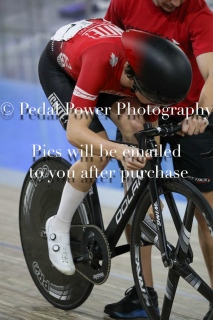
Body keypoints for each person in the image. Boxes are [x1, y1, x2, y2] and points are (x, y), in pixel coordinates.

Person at [38, 17, 191, 276]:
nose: (158, 106)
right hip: (65, 71)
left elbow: (149, 140)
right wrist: (119, 150)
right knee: (97, 155)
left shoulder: (150, 73)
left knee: (136, 127)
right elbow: (76, 134)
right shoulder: (100, 61)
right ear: (140, 85)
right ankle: (59, 224)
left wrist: (147, 186)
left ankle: (133, 202)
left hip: (113, 74)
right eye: (156, 101)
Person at [103, 0, 213, 319]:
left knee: (207, 214)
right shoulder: (125, 4)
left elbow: (210, 73)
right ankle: (142, 292)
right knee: (139, 195)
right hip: (143, 109)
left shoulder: (199, 14)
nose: (174, 2)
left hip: (188, 117)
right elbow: (108, 47)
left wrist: (203, 113)